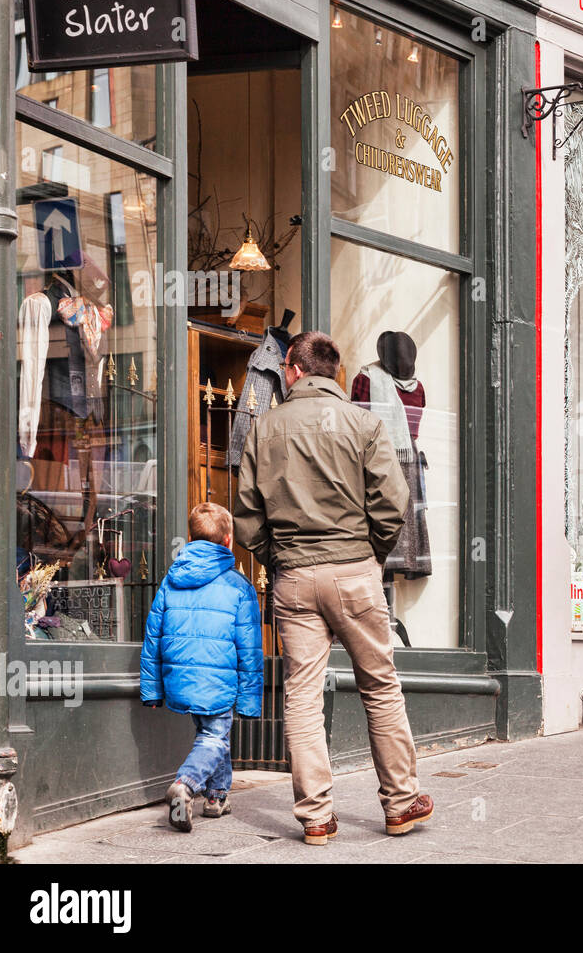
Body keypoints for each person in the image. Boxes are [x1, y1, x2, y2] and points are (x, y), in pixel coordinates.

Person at [234, 331, 433, 845]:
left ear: (294, 371)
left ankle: (317, 816)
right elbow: (394, 502)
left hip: (295, 579)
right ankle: (401, 803)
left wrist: (279, 558)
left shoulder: (265, 428)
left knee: (301, 696)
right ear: (334, 375)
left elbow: (248, 517)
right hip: (355, 572)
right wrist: (370, 553)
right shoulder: (364, 423)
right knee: (381, 687)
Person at [141, 502, 264, 832]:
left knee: (212, 734)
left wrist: (152, 689)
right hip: (218, 680)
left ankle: (217, 797)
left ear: (192, 538)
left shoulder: (171, 580)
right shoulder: (239, 586)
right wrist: (251, 700)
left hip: (178, 676)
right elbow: (250, 649)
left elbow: (153, 634)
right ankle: (186, 784)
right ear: (228, 541)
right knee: (214, 736)